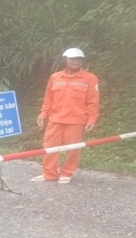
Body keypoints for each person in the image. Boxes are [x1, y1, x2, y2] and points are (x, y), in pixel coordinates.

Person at [31, 48, 100, 184]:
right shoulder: (55, 77)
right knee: (49, 146)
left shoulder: (90, 78)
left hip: (76, 120)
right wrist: (44, 112)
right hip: (55, 119)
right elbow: (48, 98)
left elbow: (93, 101)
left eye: (79, 59)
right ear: (66, 60)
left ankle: (67, 172)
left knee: (72, 148)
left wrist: (92, 118)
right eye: (72, 59)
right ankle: (49, 173)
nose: (76, 62)